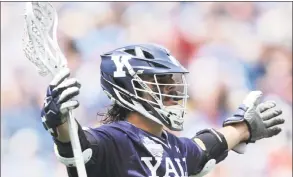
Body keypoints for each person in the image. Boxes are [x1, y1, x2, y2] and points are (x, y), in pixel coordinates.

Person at [41, 44, 285, 177]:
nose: (172, 91)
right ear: (127, 88)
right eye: (160, 82)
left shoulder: (175, 146)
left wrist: (244, 128)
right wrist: (59, 120)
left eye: (173, 82)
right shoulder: (113, 141)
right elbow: (74, 142)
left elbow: (208, 146)